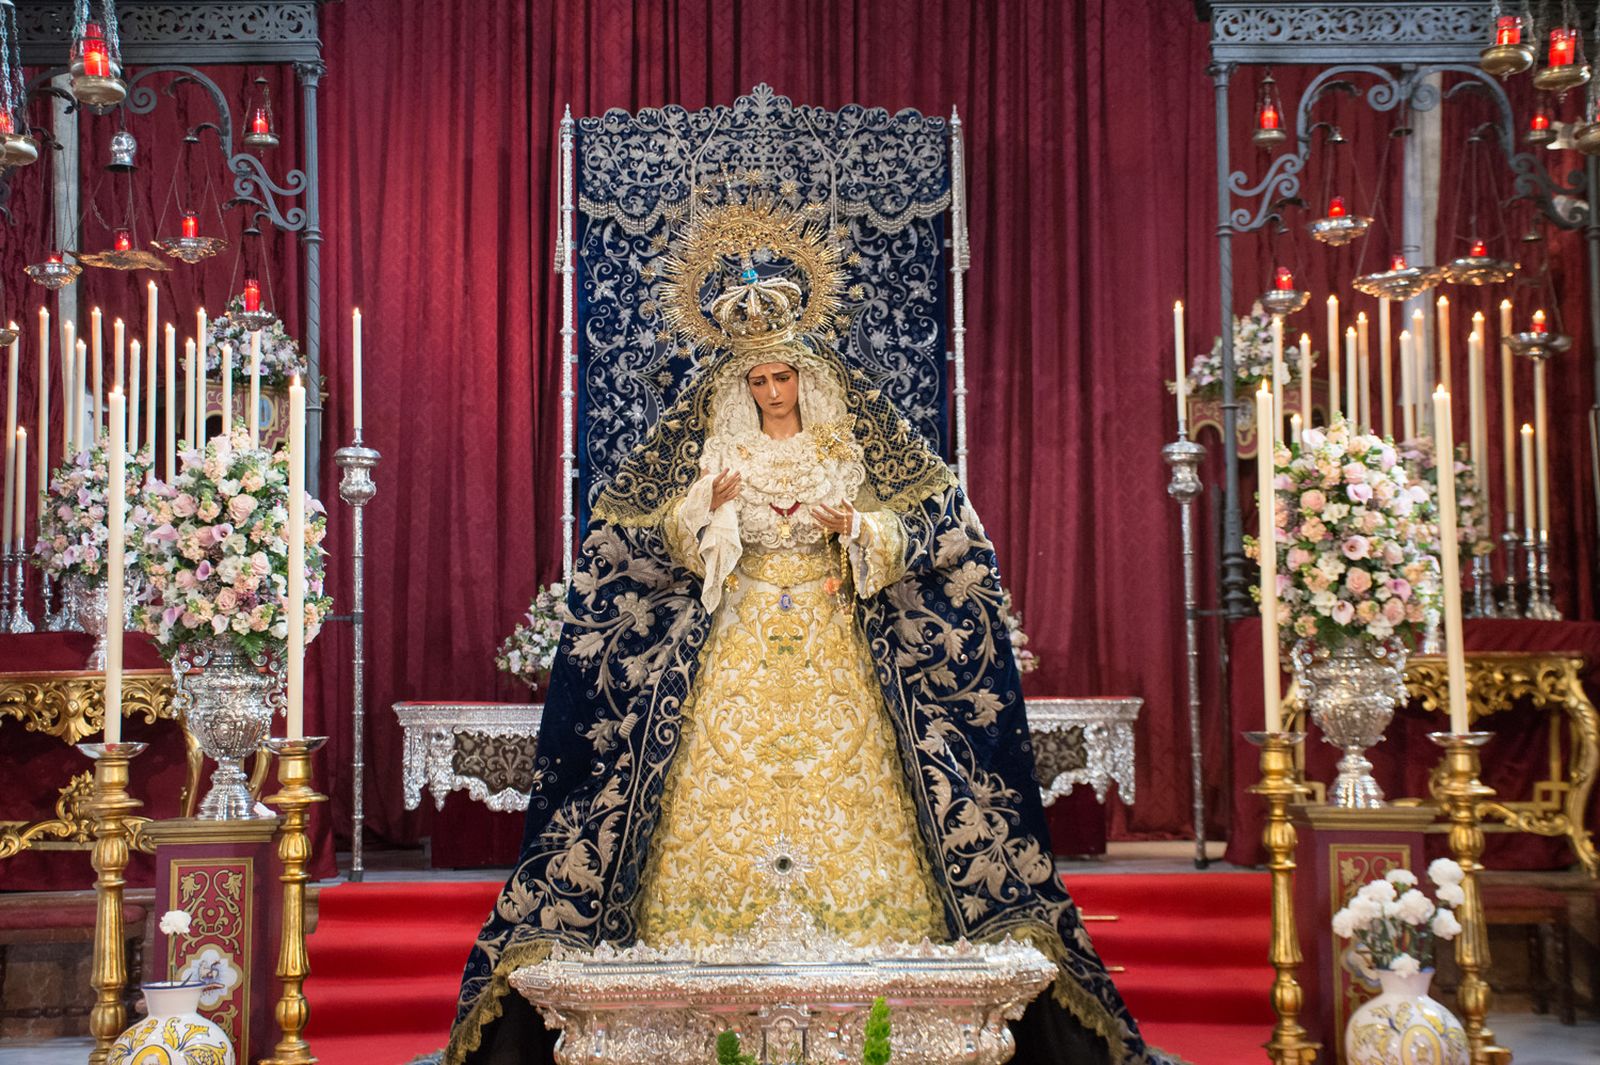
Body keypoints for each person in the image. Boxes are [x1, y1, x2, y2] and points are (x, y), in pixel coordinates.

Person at [447, 197, 1169, 1065]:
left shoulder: (846, 450)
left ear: (805, 375)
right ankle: (710, 970)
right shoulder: (721, 451)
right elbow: (666, 540)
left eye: (780, 377)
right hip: (739, 630)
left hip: (835, 627)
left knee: (863, 787)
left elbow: (925, 531)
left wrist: (856, 528)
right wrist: (698, 516)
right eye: (755, 381)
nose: (769, 391)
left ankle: (876, 977)